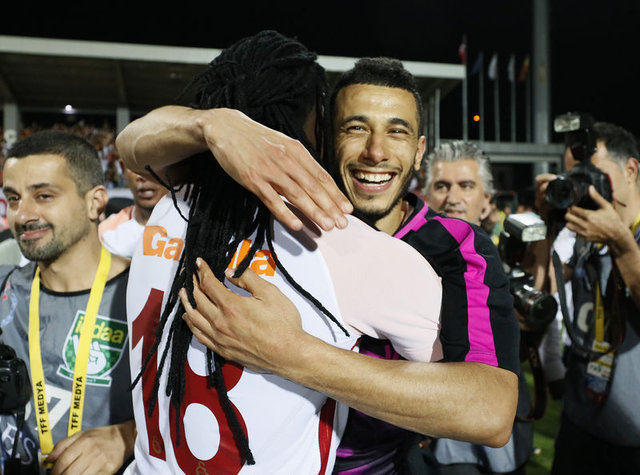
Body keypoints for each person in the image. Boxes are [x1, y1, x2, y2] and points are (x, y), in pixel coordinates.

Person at [117, 54, 520, 473]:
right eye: (355, 128)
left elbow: (489, 411)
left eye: (396, 132)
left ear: (419, 152)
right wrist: (213, 124)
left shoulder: (456, 247)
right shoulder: (268, 219)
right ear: (324, 140)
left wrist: (293, 353)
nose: (376, 152)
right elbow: (132, 144)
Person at [0, 130, 135, 474]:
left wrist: (128, 436)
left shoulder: (147, 297)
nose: (22, 215)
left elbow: (203, 413)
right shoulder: (3, 287)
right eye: (13, 198)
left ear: (95, 202)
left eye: (43, 196)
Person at [422, 140, 533, 474]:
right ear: (426, 196)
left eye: (466, 186)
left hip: (502, 432)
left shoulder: (509, 262)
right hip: (435, 435)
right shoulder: (404, 259)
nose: (453, 197)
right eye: (442, 186)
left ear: (486, 201)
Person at [545, 122, 640, 474]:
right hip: (578, 421)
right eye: (576, 177)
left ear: (631, 170)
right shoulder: (585, 235)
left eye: (594, 175)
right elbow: (545, 290)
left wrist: (621, 244)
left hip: (632, 437)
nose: (584, 188)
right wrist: (547, 225)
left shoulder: (621, 236)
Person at [98, 161, 167, 257]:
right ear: (123, 170)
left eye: (154, 165)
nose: (144, 176)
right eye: (135, 166)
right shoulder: (105, 233)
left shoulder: (187, 228)